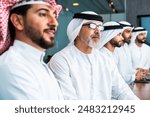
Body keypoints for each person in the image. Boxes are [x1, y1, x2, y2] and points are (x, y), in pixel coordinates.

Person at [48, 11, 139, 100]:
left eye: (100, 27)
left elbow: (122, 91)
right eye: (92, 26)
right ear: (77, 30)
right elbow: (68, 100)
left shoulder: (105, 60)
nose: (97, 31)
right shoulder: (61, 60)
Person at [0, 0, 63, 99]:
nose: (54, 23)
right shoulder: (13, 66)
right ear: (18, 21)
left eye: (54, 16)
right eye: (43, 14)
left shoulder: (39, 64)